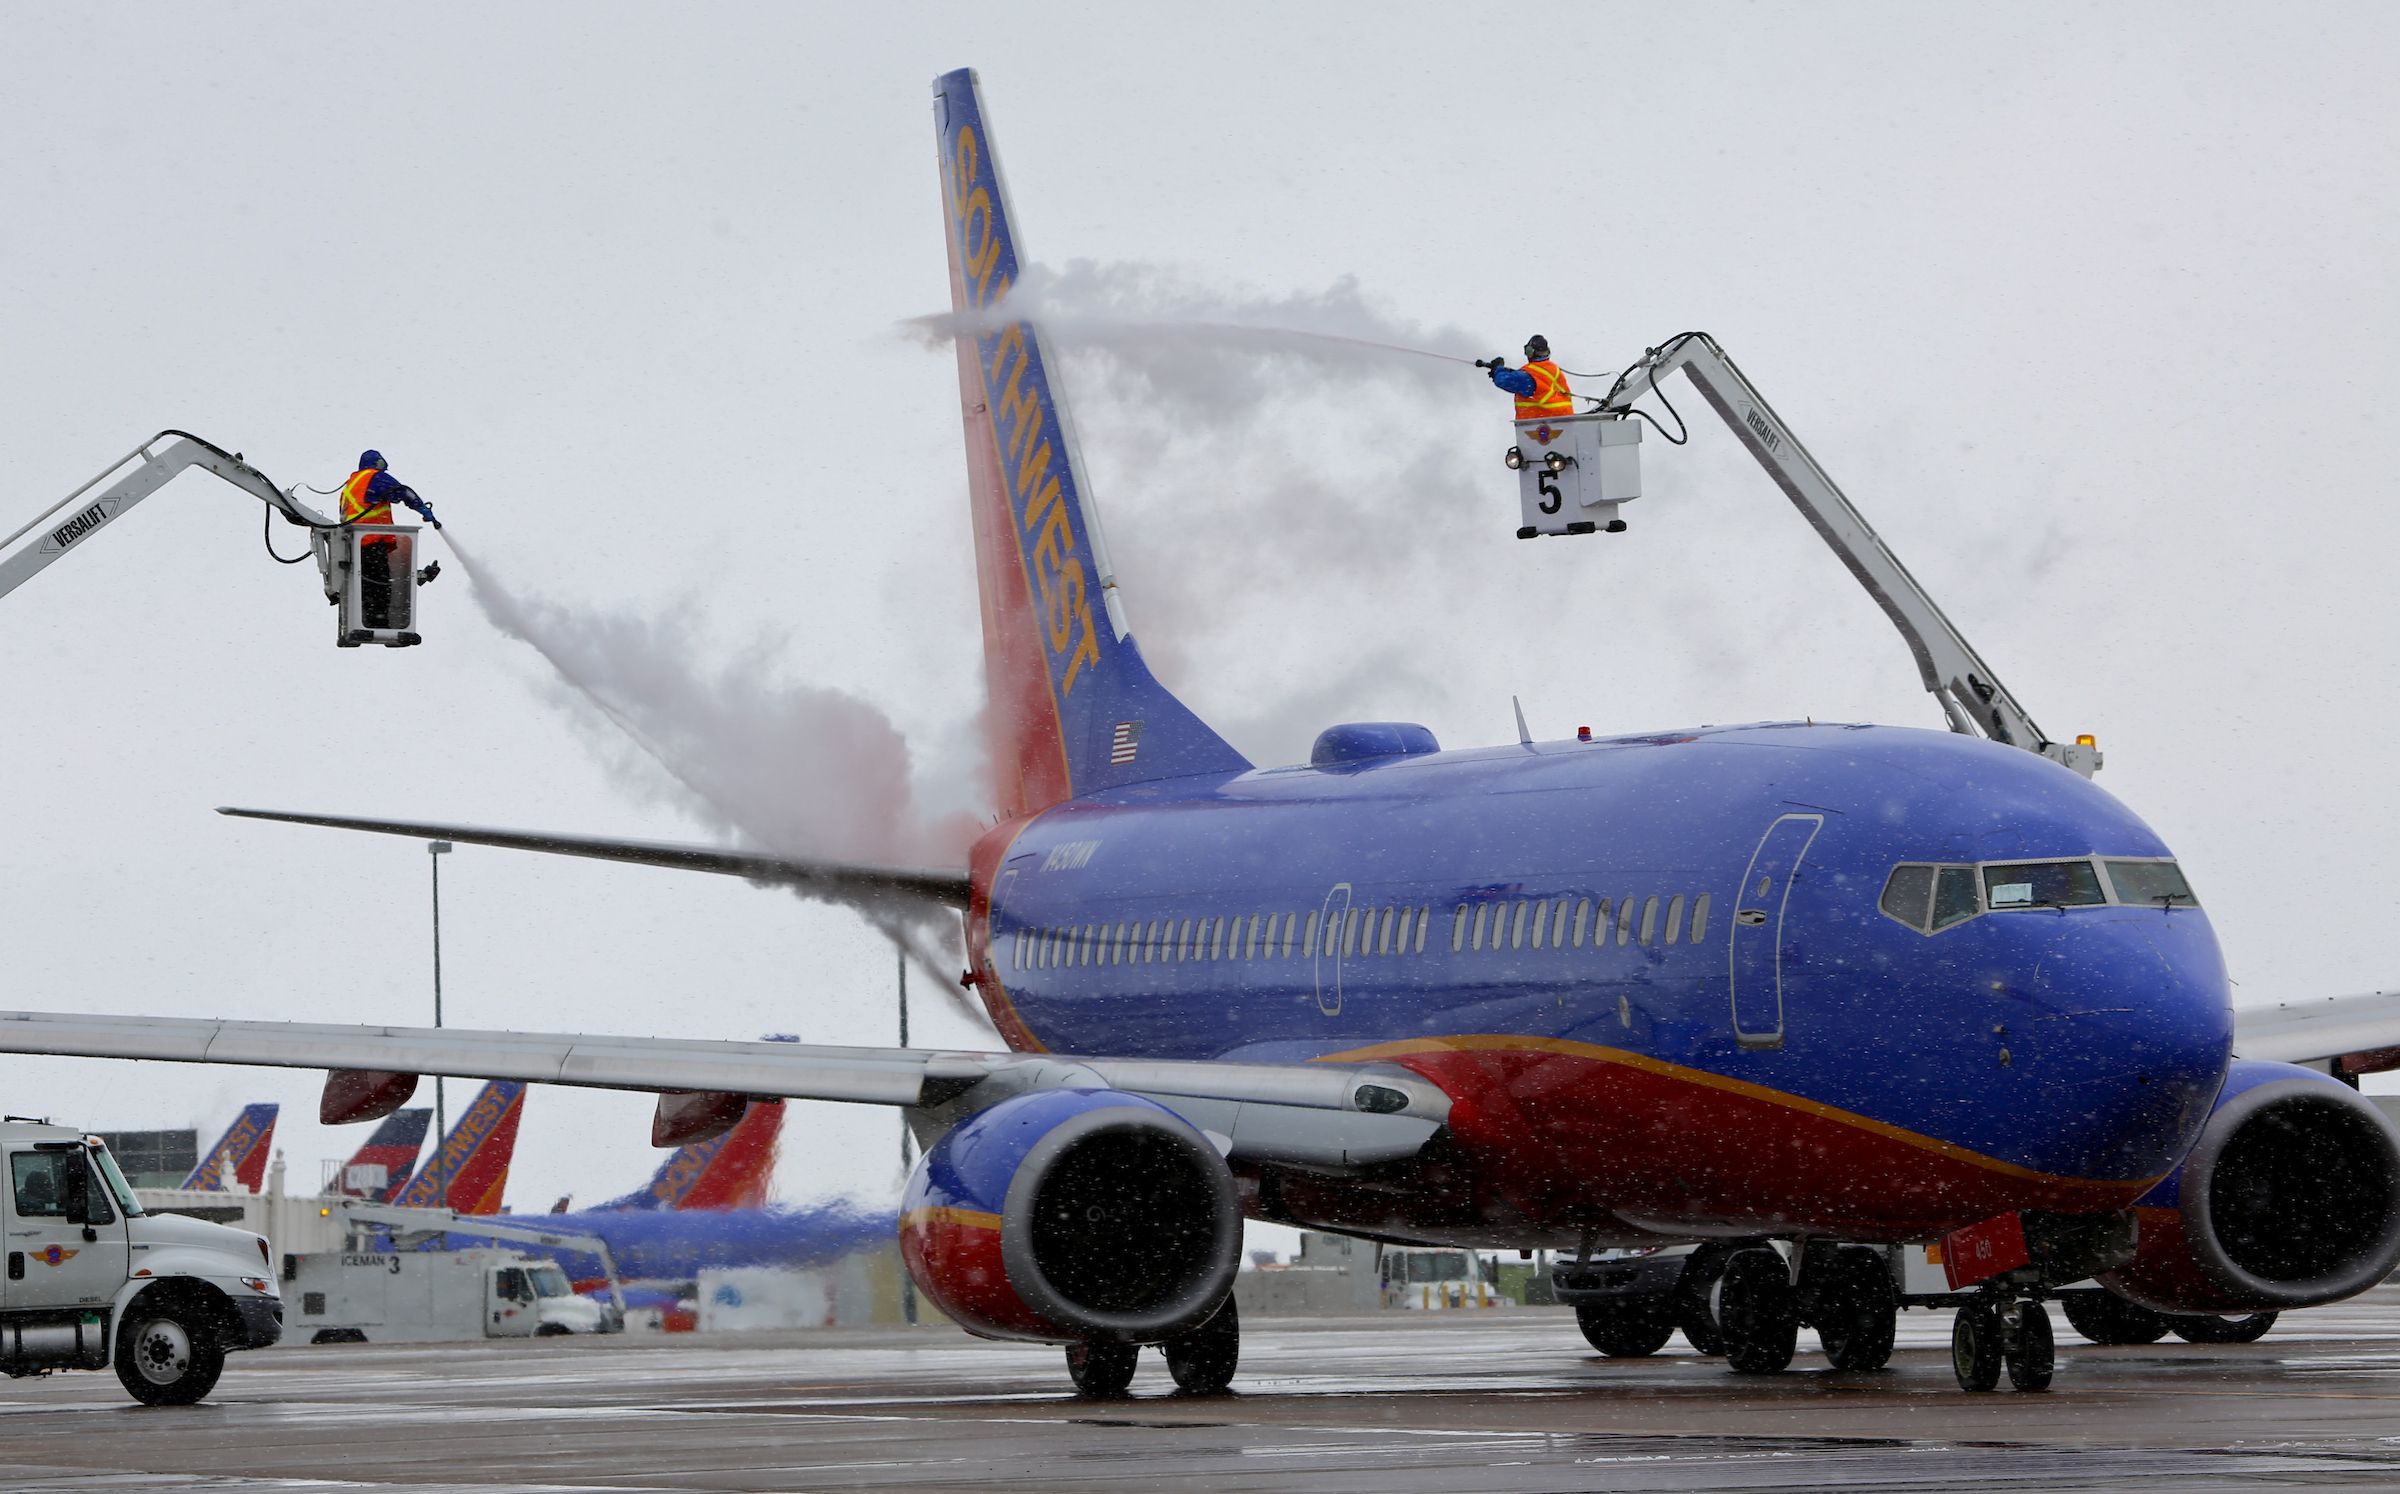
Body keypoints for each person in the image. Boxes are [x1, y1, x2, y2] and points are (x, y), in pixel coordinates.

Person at [340, 451, 440, 631]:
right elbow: (401, 492)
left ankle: (366, 622)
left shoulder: (350, 485)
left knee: (366, 584)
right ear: (377, 462)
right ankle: (378, 623)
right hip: (370, 541)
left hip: (353, 545)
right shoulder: (372, 478)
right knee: (379, 585)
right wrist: (422, 508)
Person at [1484, 335, 1576, 420]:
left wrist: (1499, 370)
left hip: (1541, 427)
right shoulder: (1551, 369)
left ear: (1531, 352)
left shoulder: (1531, 375)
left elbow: (1503, 380)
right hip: (1562, 421)